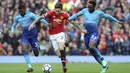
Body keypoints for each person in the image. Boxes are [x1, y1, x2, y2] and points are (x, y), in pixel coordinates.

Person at [68, 0, 124, 73]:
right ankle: (104, 66)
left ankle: (103, 60)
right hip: (86, 34)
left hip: (94, 33)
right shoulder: (84, 11)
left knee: (91, 46)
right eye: (88, 6)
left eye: (90, 7)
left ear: (94, 7)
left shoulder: (99, 13)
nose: (88, 8)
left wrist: (117, 21)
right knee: (92, 52)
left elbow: (108, 16)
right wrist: (79, 27)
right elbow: (73, 17)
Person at [29, 2, 69, 73]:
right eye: (56, 10)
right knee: (59, 55)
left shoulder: (64, 15)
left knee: (61, 47)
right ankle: (63, 55)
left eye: (58, 11)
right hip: (52, 36)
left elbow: (70, 20)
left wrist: (78, 27)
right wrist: (32, 24)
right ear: (54, 9)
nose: (57, 12)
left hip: (60, 34)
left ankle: (64, 66)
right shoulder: (50, 13)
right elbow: (40, 17)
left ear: (61, 10)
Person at [11, 4, 48, 72]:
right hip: (25, 35)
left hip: (33, 35)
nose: (21, 13)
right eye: (20, 12)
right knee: (24, 49)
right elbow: (13, 26)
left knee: (36, 54)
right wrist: (12, 31)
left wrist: (47, 24)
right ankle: (29, 66)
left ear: (25, 9)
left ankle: (37, 47)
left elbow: (40, 19)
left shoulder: (30, 14)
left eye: (22, 11)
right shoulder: (17, 18)